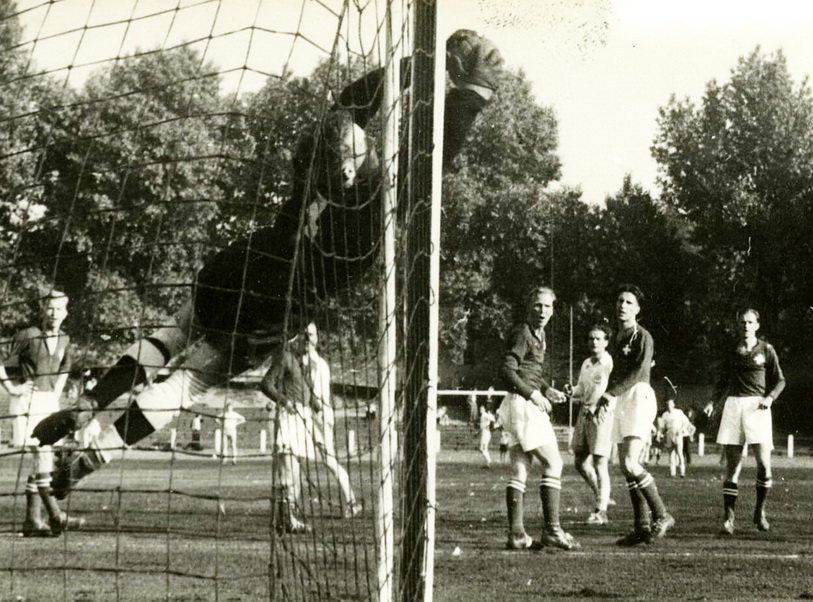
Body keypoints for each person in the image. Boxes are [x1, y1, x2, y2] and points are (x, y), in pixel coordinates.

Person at [31, 30, 505, 499]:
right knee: (188, 384)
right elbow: (434, 157)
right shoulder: (372, 206)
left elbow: (350, 105)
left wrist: (409, 69)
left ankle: (91, 402)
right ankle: (96, 456)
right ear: (351, 166)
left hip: (245, 262)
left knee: (171, 333)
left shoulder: (310, 168)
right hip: (280, 303)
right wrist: (471, 95)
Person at [0, 290, 83, 537]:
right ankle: (56, 515)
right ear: (43, 309)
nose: (53, 313)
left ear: (65, 312)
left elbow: (66, 365)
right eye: (49, 308)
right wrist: (11, 387)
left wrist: (57, 392)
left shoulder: (64, 338)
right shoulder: (28, 335)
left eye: (59, 309)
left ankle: (32, 521)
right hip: (27, 402)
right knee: (42, 457)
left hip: (48, 402)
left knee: (43, 461)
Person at [262, 321, 361, 534]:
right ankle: (284, 518)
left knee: (305, 466)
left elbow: (311, 394)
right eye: (303, 335)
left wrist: (320, 414)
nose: (306, 340)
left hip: (311, 418)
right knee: (290, 466)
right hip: (295, 417)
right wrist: (285, 401)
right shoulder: (290, 358)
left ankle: (286, 517)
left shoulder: (313, 364)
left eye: (310, 335)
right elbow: (268, 384)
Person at [497, 286, 578, 550]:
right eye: (537, 306)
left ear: (553, 310)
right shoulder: (523, 332)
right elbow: (508, 371)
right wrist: (534, 395)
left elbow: (527, 371)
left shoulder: (537, 335)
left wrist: (546, 389)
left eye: (547, 307)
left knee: (520, 468)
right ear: (529, 306)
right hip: (523, 405)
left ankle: (517, 534)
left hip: (516, 404)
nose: (542, 311)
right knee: (554, 463)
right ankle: (552, 530)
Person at [600, 285, 675, 546]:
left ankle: (662, 515)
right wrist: (603, 396)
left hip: (638, 395)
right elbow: (615, 374)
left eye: (629, 302)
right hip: (621, 398)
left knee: (632, 463)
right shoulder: (617, 337)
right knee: (624, 466)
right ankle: (642, 527)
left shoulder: (643, 336)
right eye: (620, 300)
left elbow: (638, 372)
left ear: (638, 309)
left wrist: (611, 394)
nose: (623, 305)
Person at [705, 308, 785, 536]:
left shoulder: (766, 349)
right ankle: (728, 518)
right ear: (737, 325)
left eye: (750, 322)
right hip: (734, 406)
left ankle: (759, 512)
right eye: (742, 322)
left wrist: (770, 398)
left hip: (758, 407)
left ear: (757, 325)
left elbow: (780, 381)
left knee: (763, 465)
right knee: (733, 467)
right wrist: (713, 401)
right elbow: (722, 380)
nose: (746, 326)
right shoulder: (732, 349)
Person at [566, 325, 614, 525]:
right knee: (579, 461)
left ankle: (601, 511)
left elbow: (614, 390)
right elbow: (582, 389)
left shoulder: (610, 363)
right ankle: (602, 496)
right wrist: (571, 390)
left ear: (606, 342)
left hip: (601, 415)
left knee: (600, 463)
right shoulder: (586, 363)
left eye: (598, 338)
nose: (594, 342)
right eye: (591, 338)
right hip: (584, 414)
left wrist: (604, 408)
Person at [657, 399, 695, 478]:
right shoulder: (665, 415)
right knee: (671, 454)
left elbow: (685, 422)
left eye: (670, 404)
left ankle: (682, 472)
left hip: (678, 433)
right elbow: (661, 427)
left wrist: (681, 430)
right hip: (669, 434)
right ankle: (672, 472)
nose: (669, 406)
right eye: (667, 405)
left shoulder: (679, 412)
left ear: (673, 405)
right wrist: (659, 435)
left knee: (679, 453)